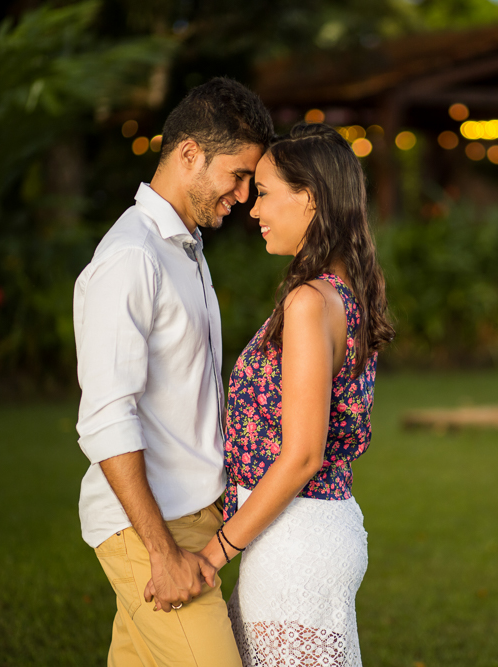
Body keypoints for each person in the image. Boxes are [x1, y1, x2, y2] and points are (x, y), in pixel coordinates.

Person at [147, 122, 394, 666]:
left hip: (296, 543)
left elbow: (303, 453)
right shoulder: (342, 293)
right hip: (306, 531)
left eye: (263, 193)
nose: (253, 210)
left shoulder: (311, 302)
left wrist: (213, 554)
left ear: (309, 198)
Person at [73, 77, 274, 666]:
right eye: (237, 176)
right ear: (189, 154)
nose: (242, 196)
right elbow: (108, 417)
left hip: (194, 515)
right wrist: (161, 551)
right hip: (153, 528)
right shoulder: (132, 256)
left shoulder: (183, 246)